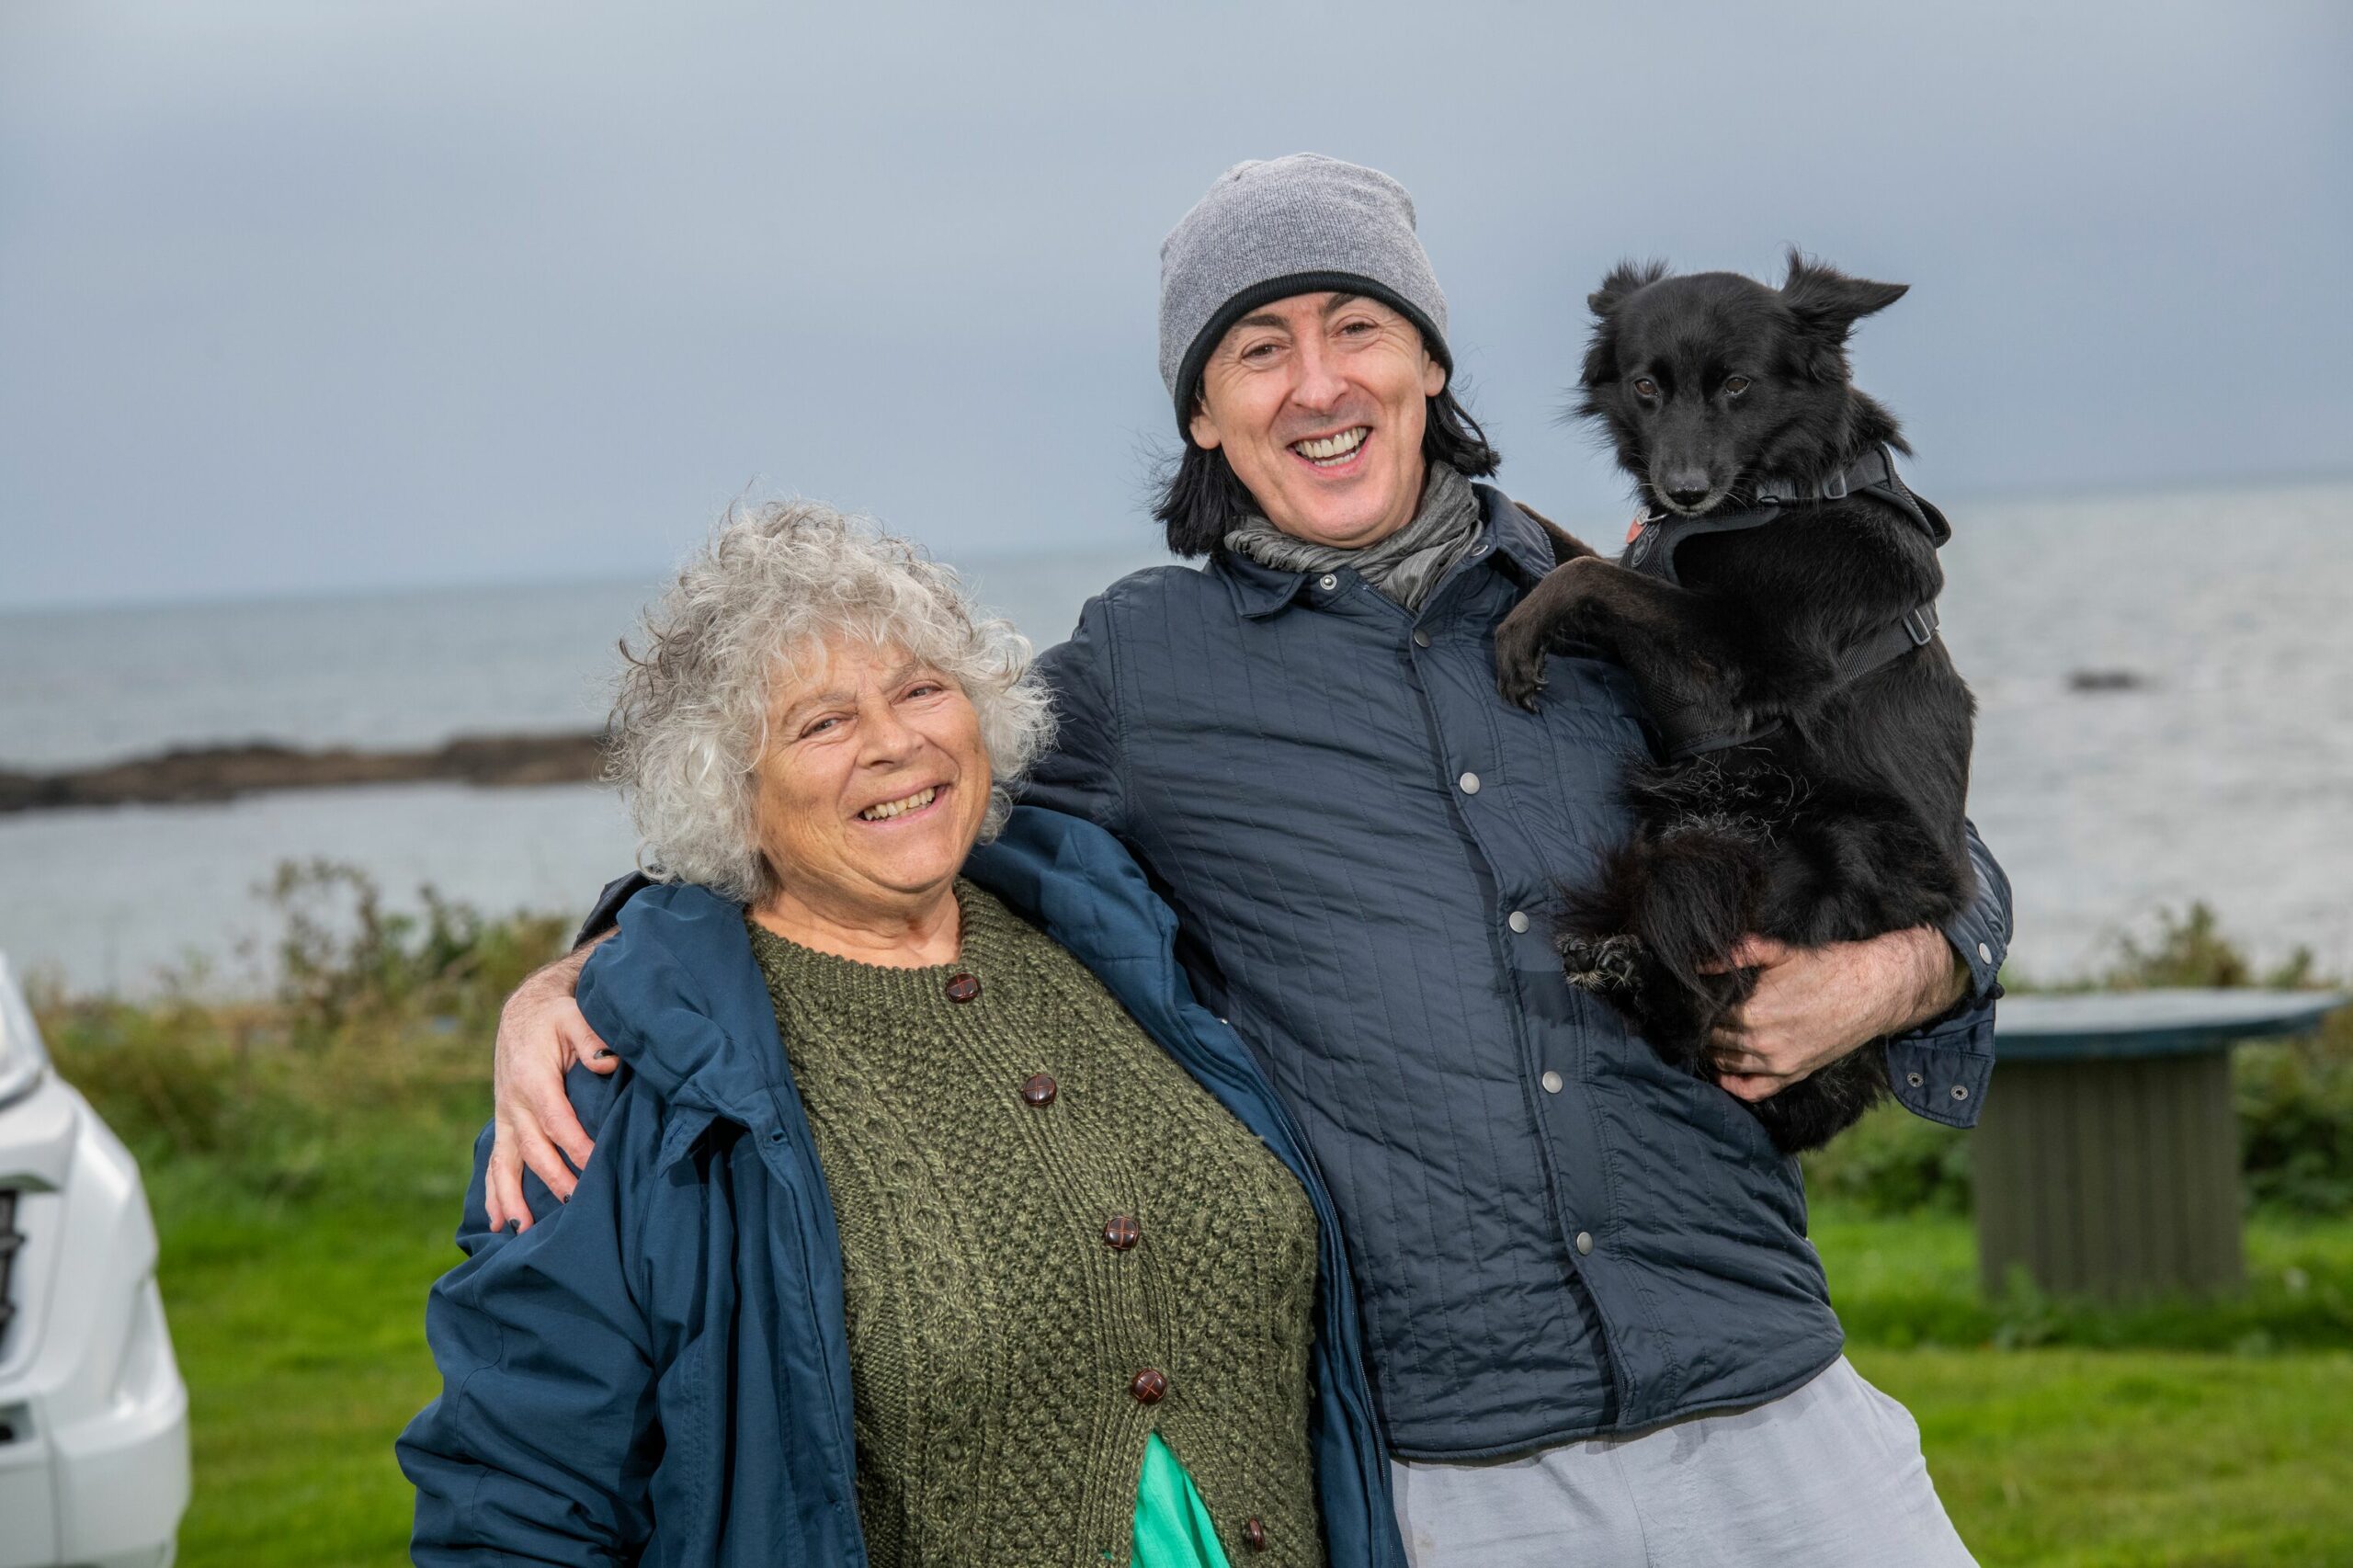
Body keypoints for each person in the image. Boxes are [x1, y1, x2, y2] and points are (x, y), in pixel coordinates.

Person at [490, 157, 2009, 1565]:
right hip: (1455, 1477)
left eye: (1357, 327)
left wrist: (1914, 962)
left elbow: (1920, 820)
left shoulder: (1618, 597)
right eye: (1256, 351)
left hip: (1778, 1398)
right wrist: (601, 958)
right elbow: (876, 811)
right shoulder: (1144, 676)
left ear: (1429, 364)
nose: (1318, 382)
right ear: (1204, 417)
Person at [398, 504, 1405, 1568]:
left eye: (923, 688)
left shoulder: (1122, 928)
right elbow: (517, 1491)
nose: (893, 742)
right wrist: (556, 986)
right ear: (731, 794)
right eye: (821, 723)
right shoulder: (624, 1082)